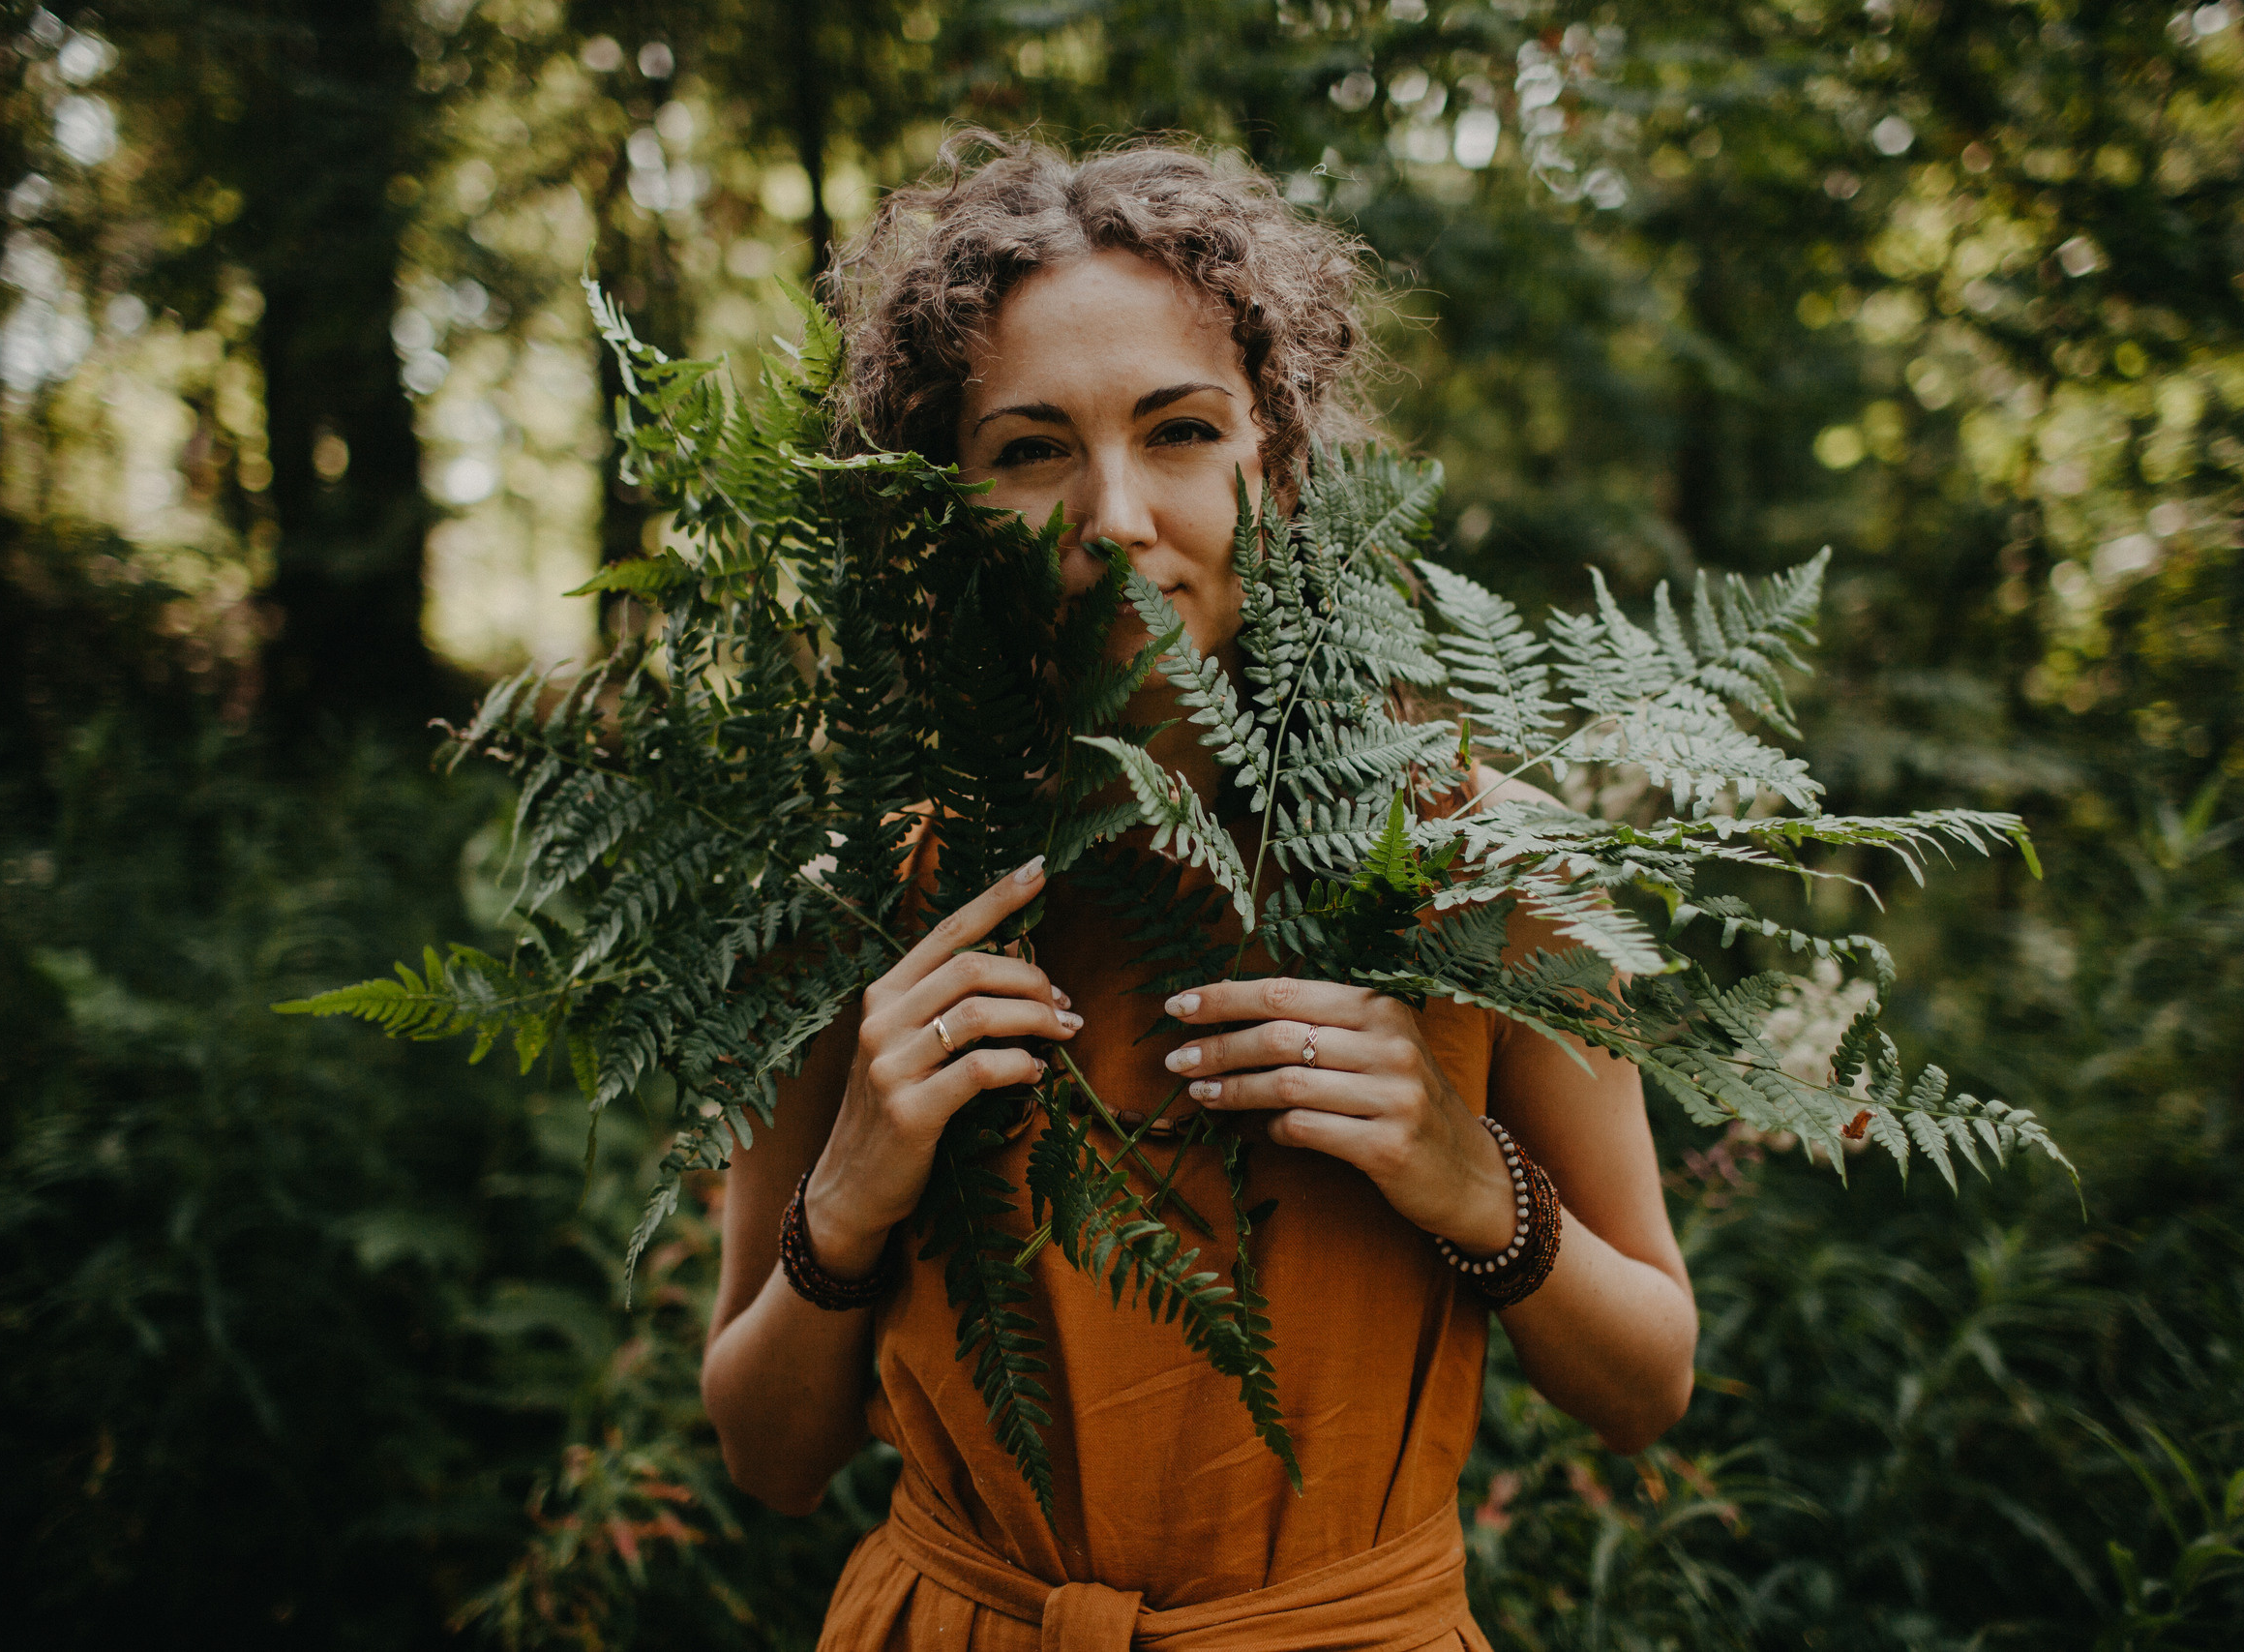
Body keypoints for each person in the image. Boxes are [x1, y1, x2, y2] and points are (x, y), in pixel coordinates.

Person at [700, 133, 1696, 1652]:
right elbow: (769, 1460)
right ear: (943, 501)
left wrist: (1463, 1173)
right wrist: (848, 1193)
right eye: (1031, 450)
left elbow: (1649, 1387)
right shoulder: (856, 892)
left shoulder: (1485, 862)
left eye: (1177, 431)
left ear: (1277, 457)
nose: (1113, 515)